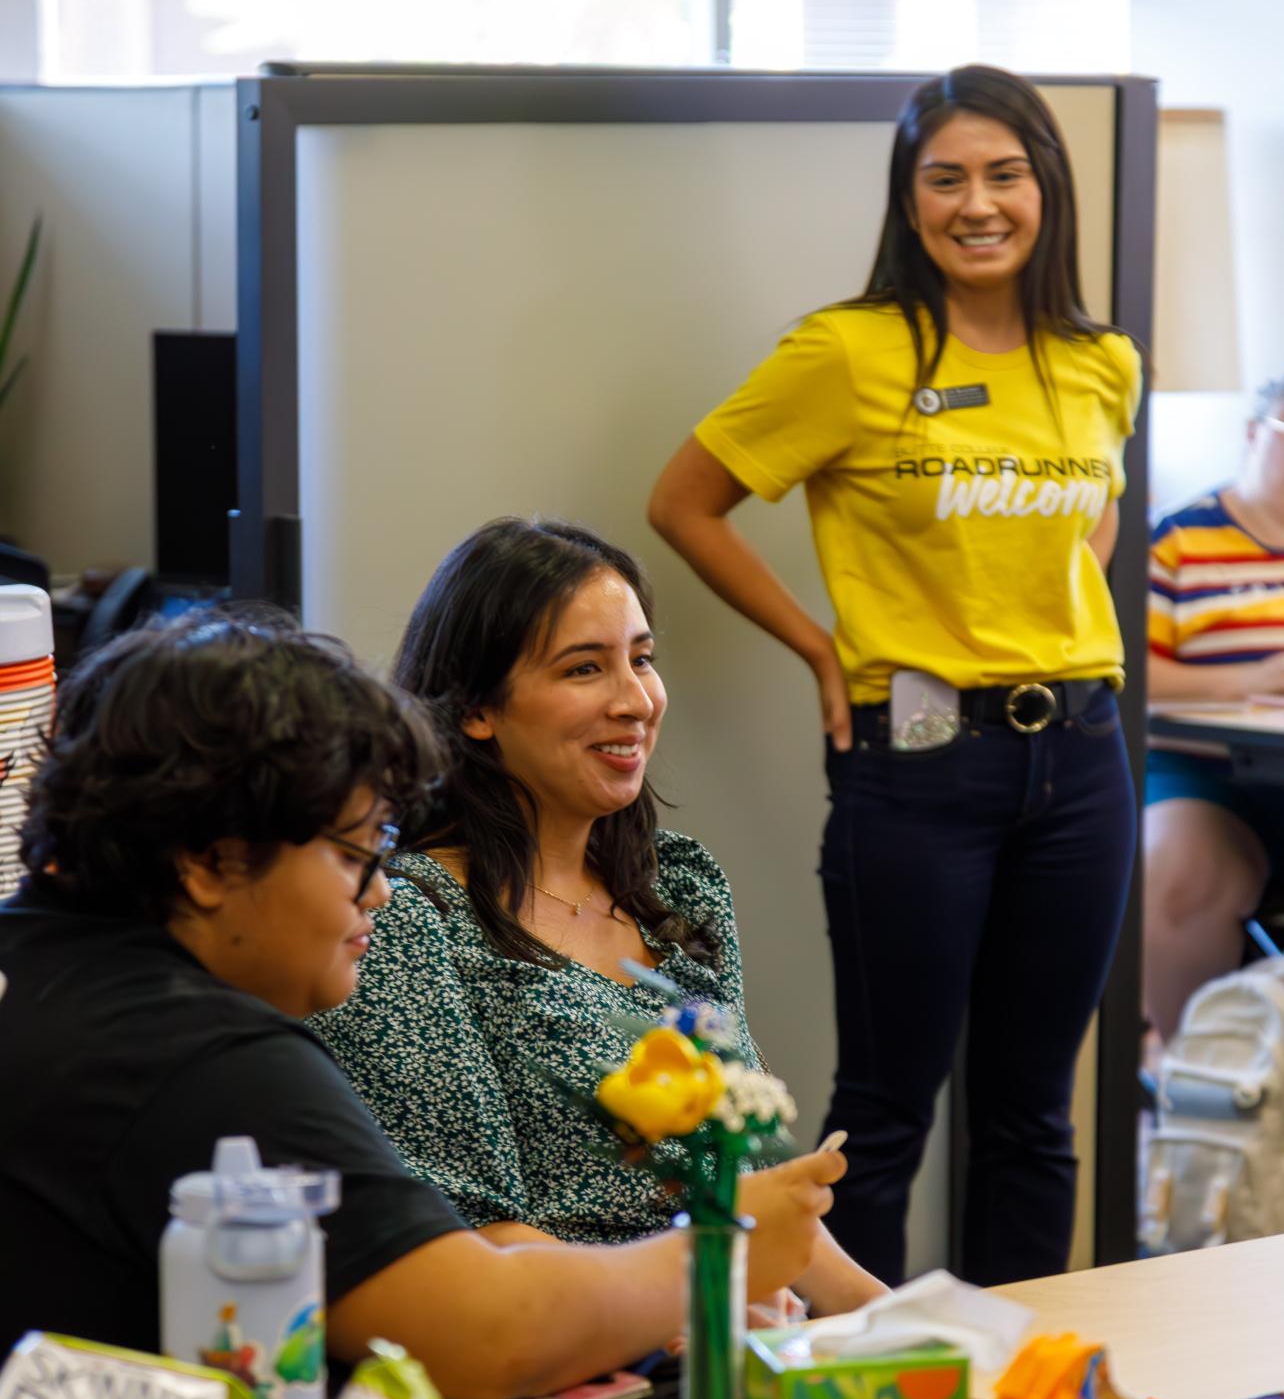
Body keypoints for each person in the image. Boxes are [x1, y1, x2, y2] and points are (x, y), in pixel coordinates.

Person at [0, 611, 845, 1399]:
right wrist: (718, 1258)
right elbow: (480, 1332)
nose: (377, 895)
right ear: (213, 862)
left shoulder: (43, 962)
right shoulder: (198, 1056)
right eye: (356, 855)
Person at [648, 63, 1142, 1288]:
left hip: (1080, 757)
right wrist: (822, 648)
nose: (977, 204)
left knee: (1033, 1113)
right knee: (883, 1110)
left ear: (1045, 190)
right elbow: (684, 502)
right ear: (908, 200)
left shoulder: (1098, 361)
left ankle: (1012, 1394)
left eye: (1003, 174)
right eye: (945, 179)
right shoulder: (850, 352)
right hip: (918, 762)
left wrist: (1053, 593)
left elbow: (1090, 513)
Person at [310, 518, 881, 1317]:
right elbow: (464, 1236)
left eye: (642, 659)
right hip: (561, 1361)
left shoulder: (679, 887)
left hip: (723, 1336)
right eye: (585, 668)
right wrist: (688, 1297)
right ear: (476, 709)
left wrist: (911, 1325)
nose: (637, 700)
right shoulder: (407, 918)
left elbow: (744, 1186)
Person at [1143, 368, 1284, 1038]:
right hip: (1206, 773)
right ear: (1253, 434)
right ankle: (1194, 1079)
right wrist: (1246, 679)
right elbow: (1129, 673)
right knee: (1180, 872)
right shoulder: (1177, 540)